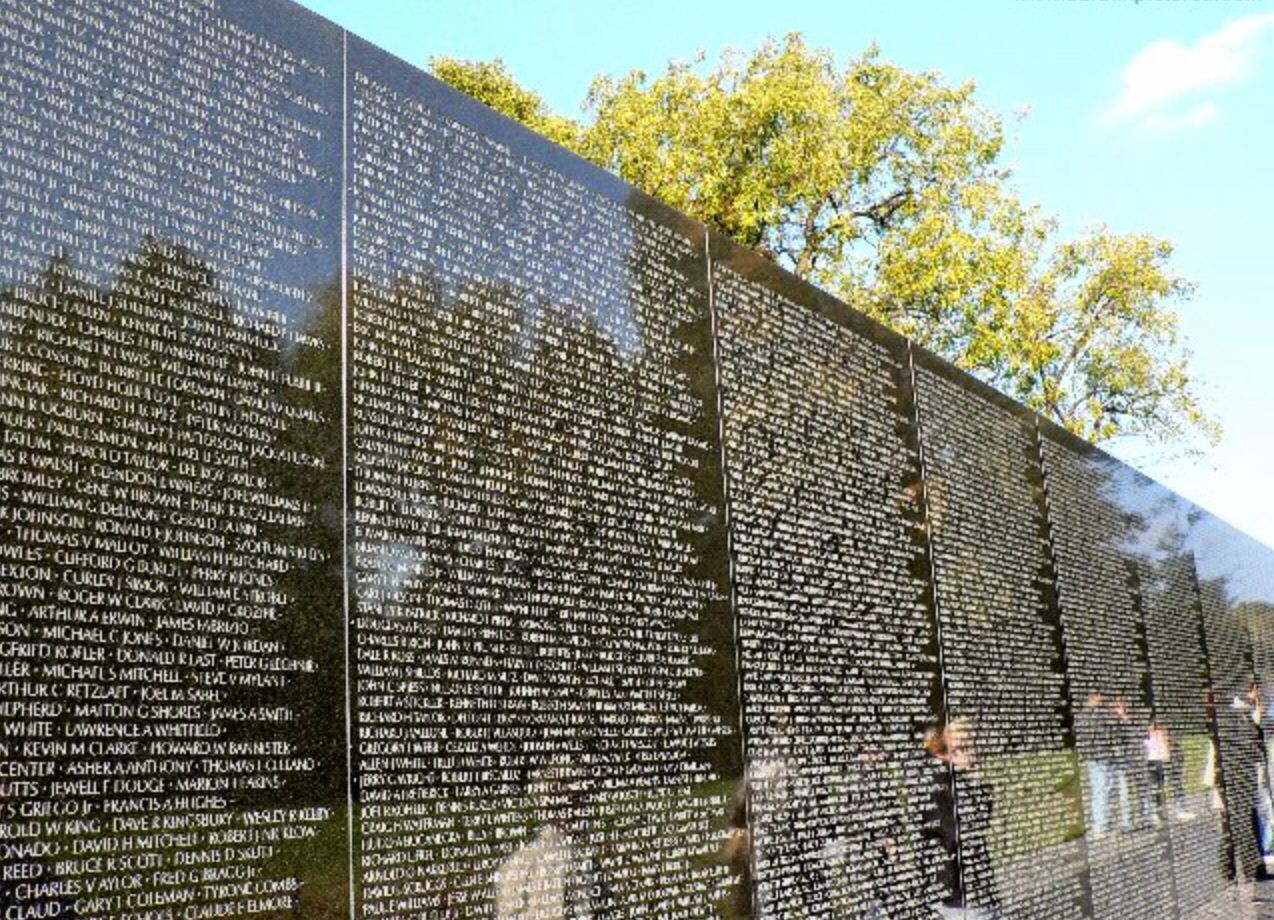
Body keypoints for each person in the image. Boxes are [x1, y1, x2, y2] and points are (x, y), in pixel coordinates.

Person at [924, 718, 998, 920]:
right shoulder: (936, 784)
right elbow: (957, 833)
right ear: (944, 753)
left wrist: (979, 781)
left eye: (971, 747)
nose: (969, 755)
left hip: (979, 885)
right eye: (958, 750)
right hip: (955, 891)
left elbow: (982, 824)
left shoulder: (969, 780)